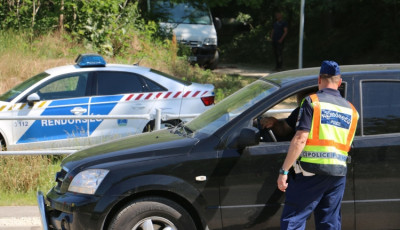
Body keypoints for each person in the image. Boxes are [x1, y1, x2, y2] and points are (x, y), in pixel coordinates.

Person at [277, 61, 359, 229]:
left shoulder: (313, 102)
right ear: (339, 80)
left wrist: (284, 171)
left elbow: (300, 139)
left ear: (319, 79)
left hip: (310, 172)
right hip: (337, 174)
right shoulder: (351, 110)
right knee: (329, 222)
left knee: (294, 220)